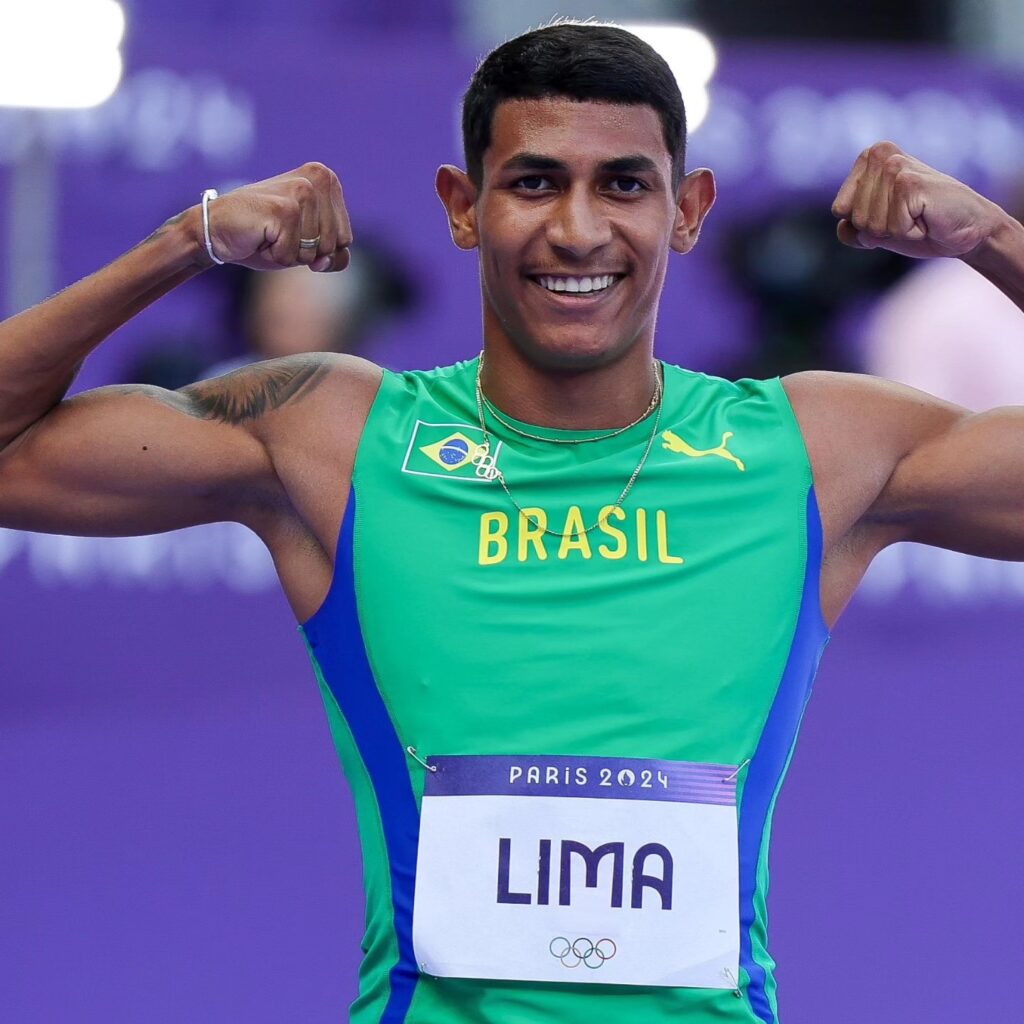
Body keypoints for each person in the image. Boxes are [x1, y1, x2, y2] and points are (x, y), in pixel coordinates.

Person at [0, 20, 1021, 1024]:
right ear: (462, 206)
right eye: (534, 183)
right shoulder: (336, 439)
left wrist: (992, 238)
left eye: (624, 184)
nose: (577, 231)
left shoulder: (813, 449)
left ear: (688, 209)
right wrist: (186, 241)